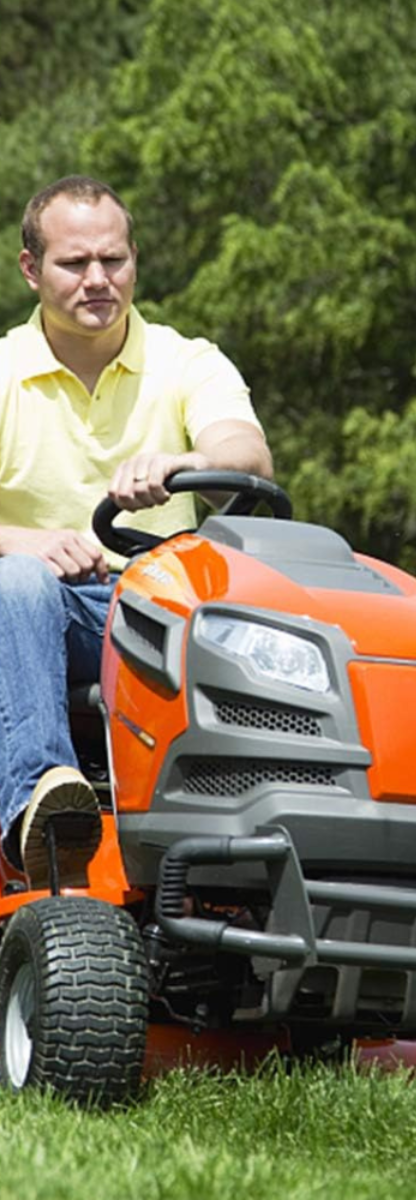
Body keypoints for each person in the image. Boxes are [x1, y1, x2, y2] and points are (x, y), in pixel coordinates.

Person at [0, 175, 272, 888]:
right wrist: (19, 541)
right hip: (36, 615)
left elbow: (249, 457)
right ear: (31, 270)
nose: (98, 279)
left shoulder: (188, 362)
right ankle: (41, 811)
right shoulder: (3, 372)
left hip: (159, 616)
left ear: (134, 260)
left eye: (113, 261)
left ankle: (269, 848)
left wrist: (192, 461)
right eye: (74, 263)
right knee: (18, 581)